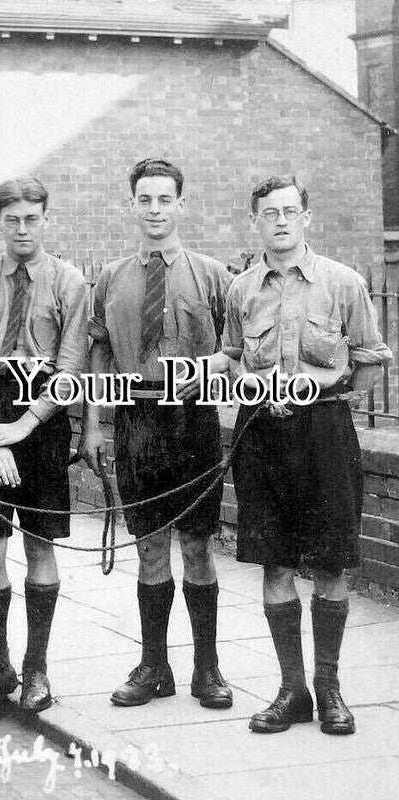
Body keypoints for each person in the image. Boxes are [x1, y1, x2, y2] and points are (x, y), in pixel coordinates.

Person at [216, 175, 390, 735]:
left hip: (325, 434)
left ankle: (330, 689)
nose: (282, 221)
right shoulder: (241, 288)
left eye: (291, 211)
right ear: (256, 222)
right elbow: (230, 355)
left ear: (307, 217)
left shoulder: (343, 282)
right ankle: (292, 691)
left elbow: (370, 357)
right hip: (262, 432)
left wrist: (328, 392)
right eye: (270, 213)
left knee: (332, 561)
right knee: (276, 560)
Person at [78, 158, 234, 710]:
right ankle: (153, 667)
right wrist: (94, 425)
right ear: (132, 206)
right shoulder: (112, 277)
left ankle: (208, 668)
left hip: (192, 420)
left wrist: (207, 371)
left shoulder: (213, 275)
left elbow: (235, 349)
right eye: (145, 200)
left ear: (181, 205)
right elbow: (98, 351)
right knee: (149, 549)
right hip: (136, 418)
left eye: (165, 200)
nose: (154, 210)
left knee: (197, 546)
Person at [0, 177, 87, 722]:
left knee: (40, 545)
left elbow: (73, 367)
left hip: (44, 415)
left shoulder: (69, 281)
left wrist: (25, 427)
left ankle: (36, 669)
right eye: (12, 220)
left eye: (32, 218)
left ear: (45, 219)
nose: (23, 229)